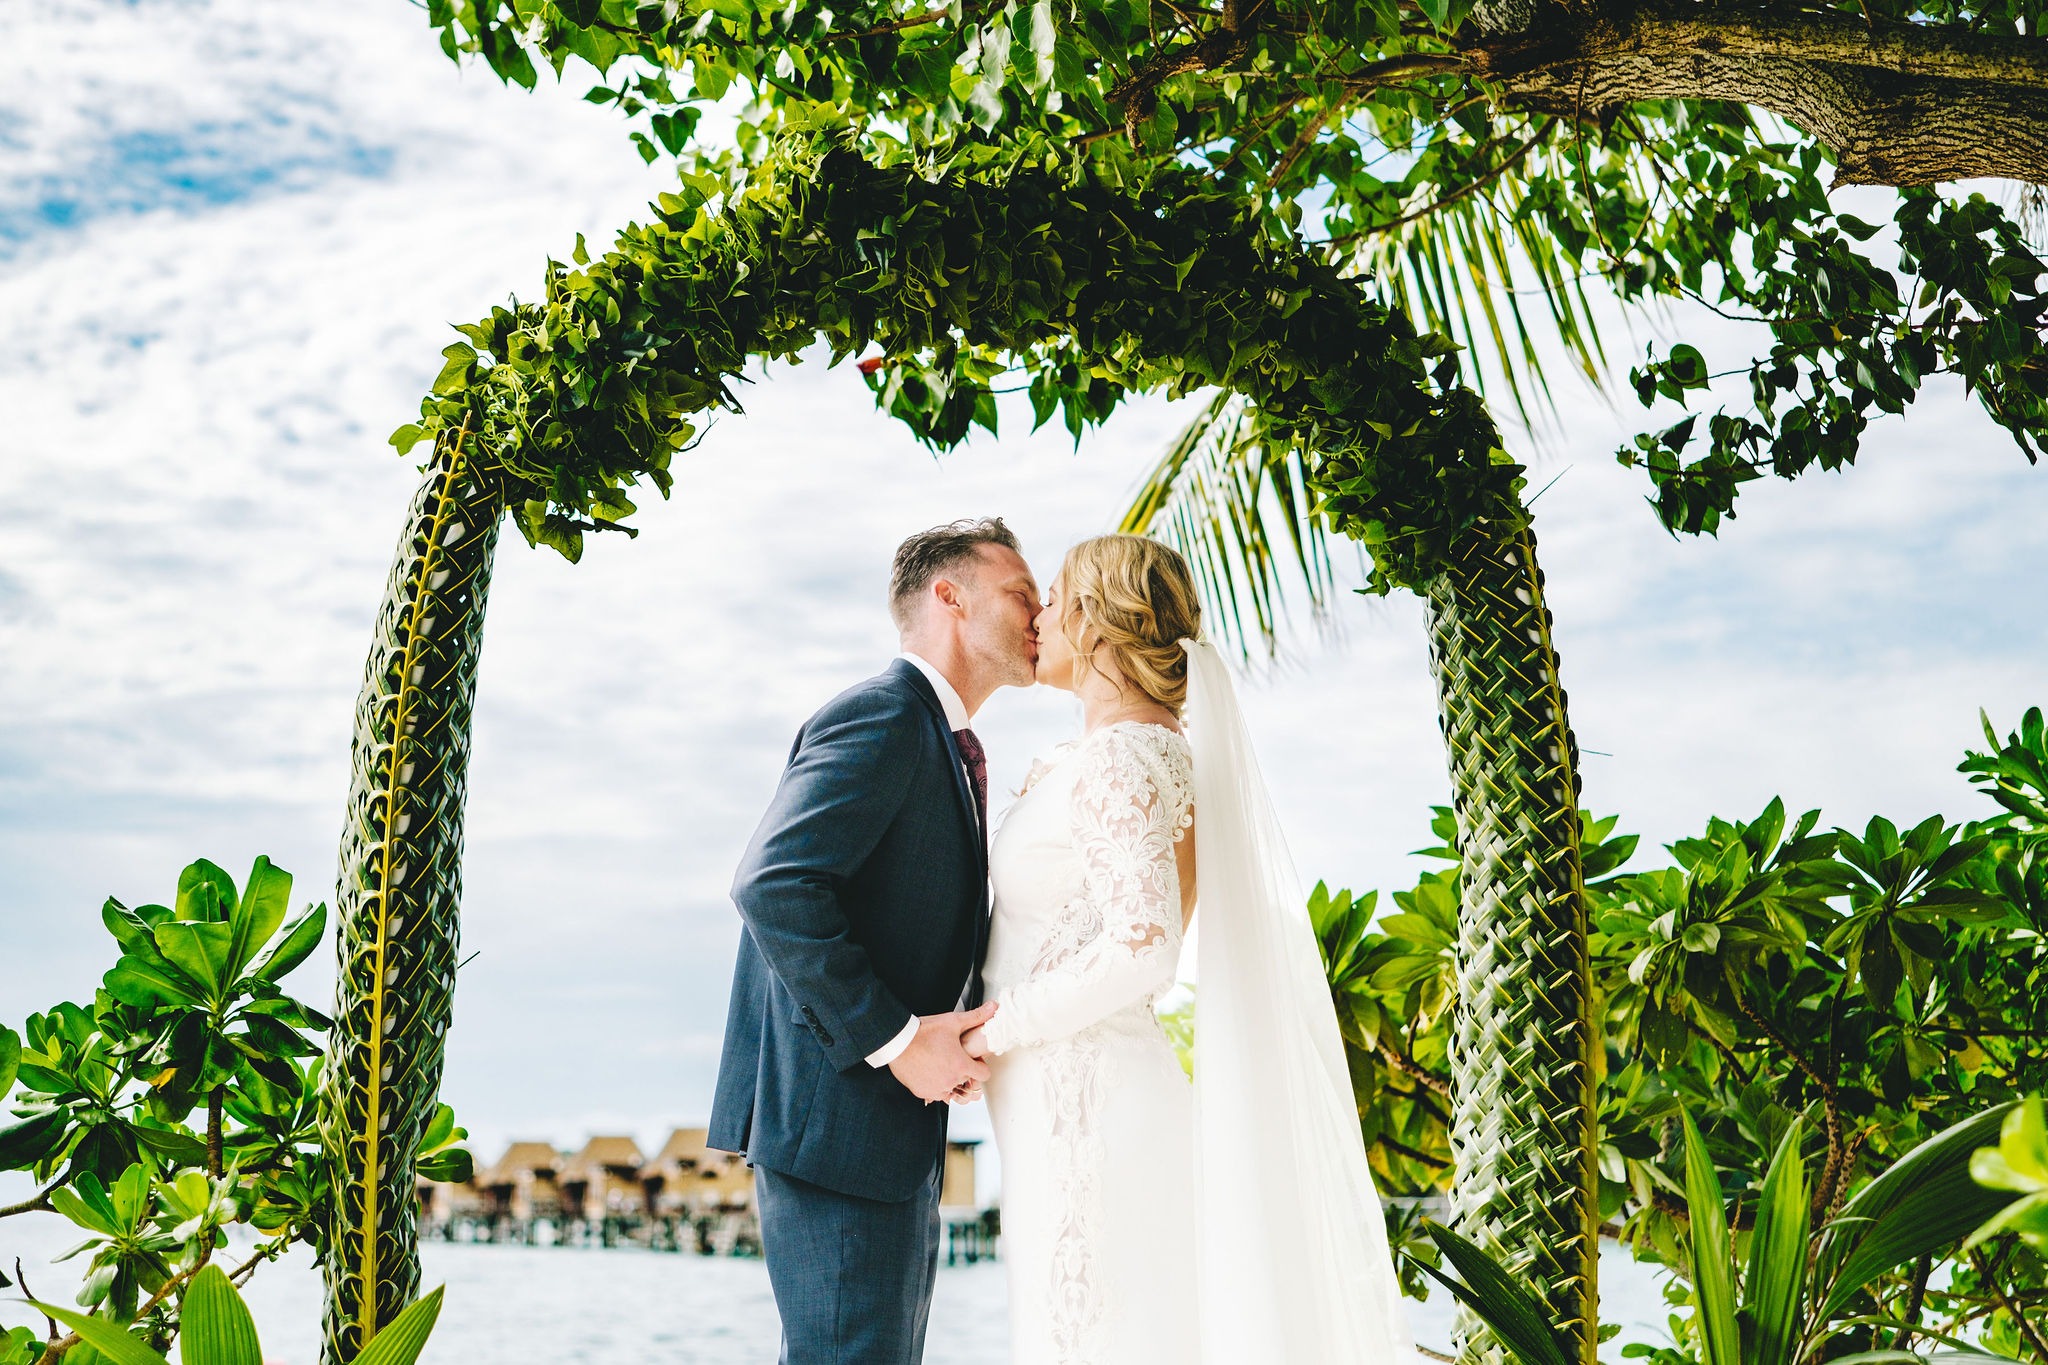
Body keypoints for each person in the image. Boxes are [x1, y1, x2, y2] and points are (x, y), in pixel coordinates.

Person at [962, 533, 1414, 1365]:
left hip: (1086, 1102)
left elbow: (1143, 948)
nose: (1041, 616)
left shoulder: (1123, 759)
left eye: (1056, 597)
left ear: (1098, 623)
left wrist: (990, 1030)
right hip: (1064, 1097)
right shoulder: (1136, 752)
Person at [708, 517, 1039, 1365]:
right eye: (1019, 593)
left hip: (880, 1133)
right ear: (950, 597)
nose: (1039, 614)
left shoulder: (937, 735)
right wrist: (896, 1041)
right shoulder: (885, 715)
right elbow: (773, 883)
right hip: (841, 1128)